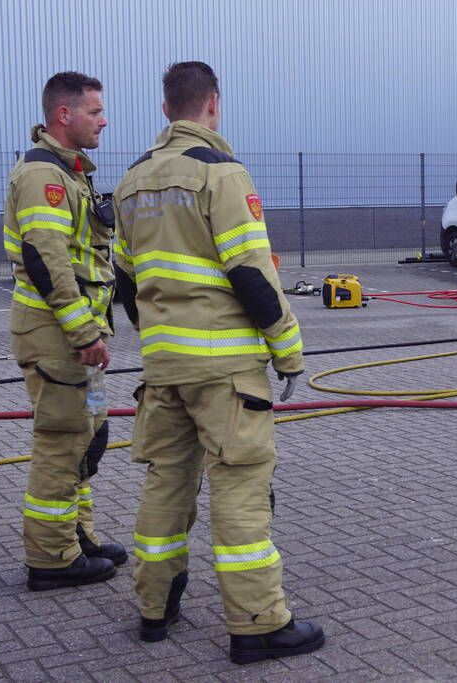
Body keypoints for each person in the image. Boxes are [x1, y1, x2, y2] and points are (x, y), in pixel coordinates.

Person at [113, 61, 324, 665]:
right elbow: (251, 272)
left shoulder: (130, 183)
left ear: (166, 109)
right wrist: (288, 349)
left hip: (163, 370)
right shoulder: (221, 174)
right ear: (214, 104)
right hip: (226, 370)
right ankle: (257, 624)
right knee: (239, 490)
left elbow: (124, 283)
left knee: (166, 483)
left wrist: (157, 341)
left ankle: (155, 608)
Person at [3, 71, 128, 591]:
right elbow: (45, 259)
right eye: (94, 111)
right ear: (63, 114)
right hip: (58, 337)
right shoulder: (43, 176)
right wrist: (83, 334)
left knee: (87, 438)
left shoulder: (71, 173)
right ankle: (52, 559)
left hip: (77, 337)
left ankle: (78, 537)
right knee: (61, 443)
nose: (103, 120)